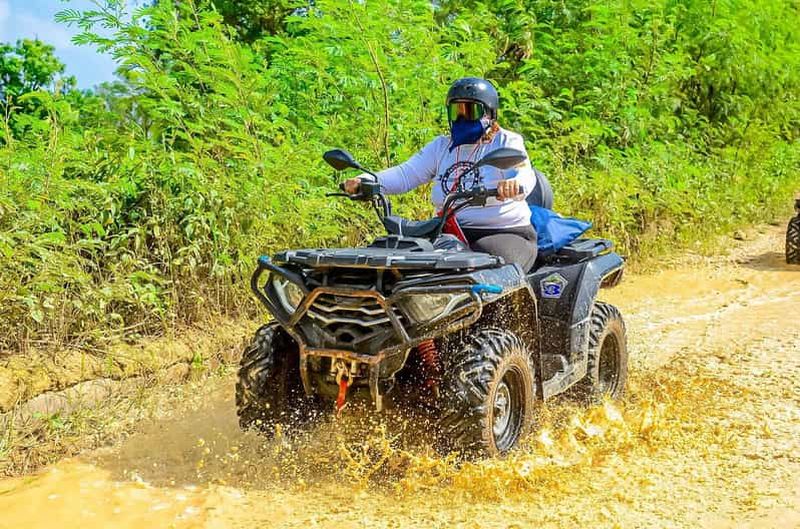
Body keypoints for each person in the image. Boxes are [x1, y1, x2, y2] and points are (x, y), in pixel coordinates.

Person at [344, 77, 550, 273]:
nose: (462, 117)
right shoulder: (441, 146)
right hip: (447, 232)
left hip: (503, 232)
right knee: (406, 260)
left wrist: (513, 185)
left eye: (470, 110)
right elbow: (405, 174)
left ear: (489, 113)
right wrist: (365, 181)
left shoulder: (505, 141)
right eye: (456, 111)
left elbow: (524, 172)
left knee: (486, 266)